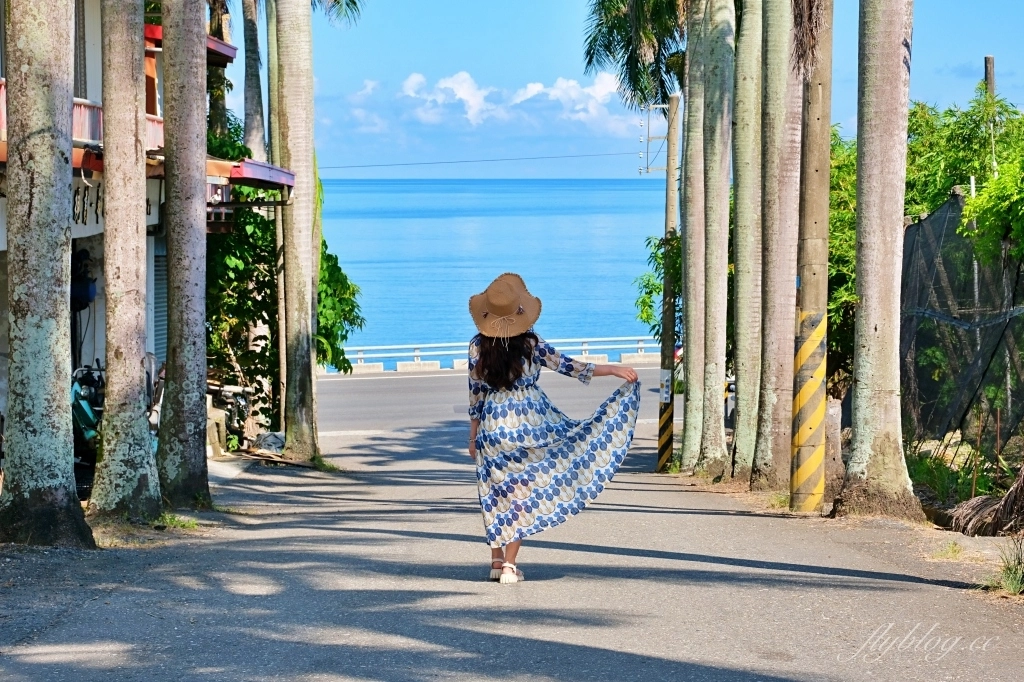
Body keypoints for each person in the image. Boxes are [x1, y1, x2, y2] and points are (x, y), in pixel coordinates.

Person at [467, 273, 641, 584]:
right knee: (520, 494)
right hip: (529, 424)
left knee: (493, 491)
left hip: (492, 425)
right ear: (519, 311)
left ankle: (496, 559)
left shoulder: (477, 346)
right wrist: (613, 369)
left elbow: (475, 393)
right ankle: (509, 566)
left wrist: (473, 435)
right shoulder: (530, 344)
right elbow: (570, 366)